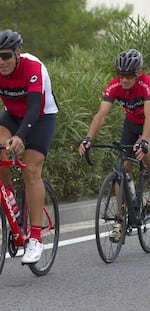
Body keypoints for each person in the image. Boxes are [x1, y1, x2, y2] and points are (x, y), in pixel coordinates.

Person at [79, 49, 150, 242]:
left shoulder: (147, 84)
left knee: (145, 149)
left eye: (128, 76)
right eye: (120, 75)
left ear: (137, 73)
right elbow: (101, 115)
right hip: (131, 124)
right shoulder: (114, 86)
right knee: (122, 169)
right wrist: (88, 138)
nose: (124, 80)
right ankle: (121, 217)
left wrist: (144, 141)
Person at [0, 29, 58, 263]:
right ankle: (10, 198)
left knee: (31, 170)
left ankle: (35, 238)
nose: (1, 62)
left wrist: (22, 136)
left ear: (17, 53)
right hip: (12, 114)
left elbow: (34, 108)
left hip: (41, 117)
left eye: (5, 56)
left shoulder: (33, 67)